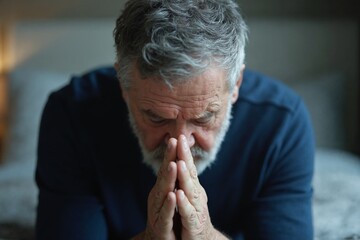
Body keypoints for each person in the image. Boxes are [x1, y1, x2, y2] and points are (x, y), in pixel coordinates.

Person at [35, 0, 315, 239]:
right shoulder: (71, 114)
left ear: (236, 83)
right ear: (123, 84)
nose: (180, 143)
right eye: (156, 117)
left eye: (204, 118)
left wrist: (205, 235)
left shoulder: (282, 123)